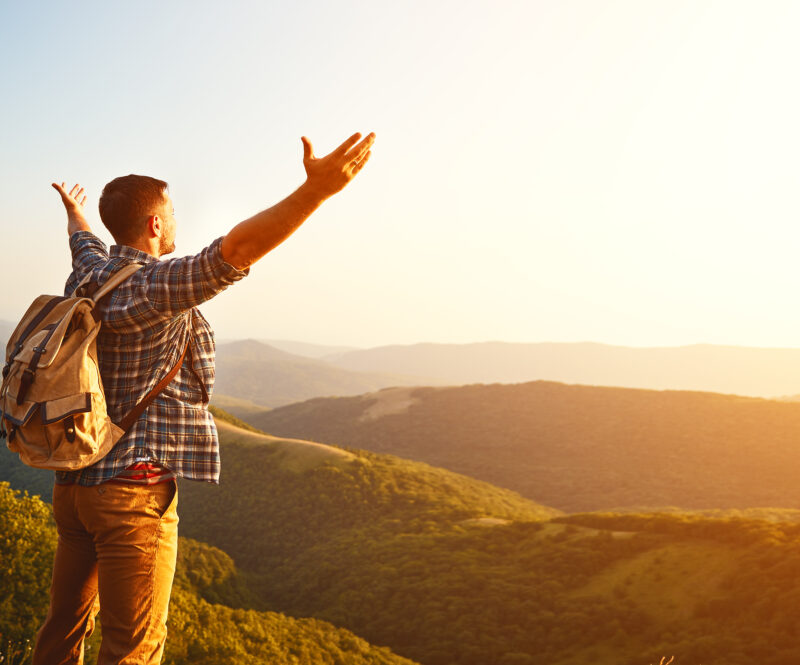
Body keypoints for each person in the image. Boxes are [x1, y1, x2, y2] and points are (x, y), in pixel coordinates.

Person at [31, 131, 375, 665]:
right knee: (132, 648)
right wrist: (316, 192)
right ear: (155, 225)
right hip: (130, 493)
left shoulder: (91, 273)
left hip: (74, 488)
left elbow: (83, 240)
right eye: (172, 216)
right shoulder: (155, 285)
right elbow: (234, 252)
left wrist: (76, 213)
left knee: (63, 631)